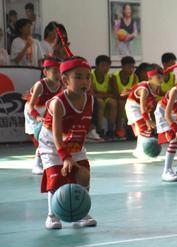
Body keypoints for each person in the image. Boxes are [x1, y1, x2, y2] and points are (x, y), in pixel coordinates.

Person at [37, 56, 97, 229]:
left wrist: (74, 152)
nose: (84, 81)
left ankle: (81, 212)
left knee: (83, 174)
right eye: (78, 77)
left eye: (88, 77)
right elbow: (56, 135)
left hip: (73, 142)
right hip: (51, 143)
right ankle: (52, 215)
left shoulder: (90, 100)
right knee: (56, 179)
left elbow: (81, 127)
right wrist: (65, 157)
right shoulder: (58, 103)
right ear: (64, 80)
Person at [24, 56, 62, 174]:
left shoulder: (60, 85)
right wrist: (37, 117)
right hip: (32, 113)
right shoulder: (40, 85)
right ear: (45, 72)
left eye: (59, 72)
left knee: (48, 137)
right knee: (41, 140)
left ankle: (48, 161)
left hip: (45, 112)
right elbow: (30, 106)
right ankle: (37, 164)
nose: (58, 75)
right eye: (55, 72)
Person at [125, 65, 162, 158]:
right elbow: (141, 106)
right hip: (133, 107)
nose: (161, 79)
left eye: (162, 76)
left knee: (148, 129)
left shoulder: (157, 88)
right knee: (143, 128)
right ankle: (140, 151)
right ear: (150, 77)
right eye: (158, 77)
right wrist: (147, 119)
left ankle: (140, 149)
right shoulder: (144, 89)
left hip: (143, 108)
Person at [111, 56, 139, 138]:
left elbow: (134, 93)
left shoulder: (134, 77)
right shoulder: (114, 77)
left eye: (133, 67)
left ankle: (130, 129)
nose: (131, 69)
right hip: (118, 99)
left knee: (129, 104)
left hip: (128, 99)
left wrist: (126, 95)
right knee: (121, 103)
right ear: (122, 67)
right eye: (129, 67)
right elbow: (116, 94)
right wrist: (127, 95)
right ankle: (117, 129)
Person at [91, 55, 117, 139]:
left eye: (107, 66)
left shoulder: (109, 77)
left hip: (104, 98)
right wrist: (104, 94)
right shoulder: (91, 75)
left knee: (113, 103)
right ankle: (100, 130)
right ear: (97, 66)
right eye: (103, 65)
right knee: (100, 102)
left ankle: (111, 131)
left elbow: (113, 94)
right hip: (93, 100)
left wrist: (99, 92)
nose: (105, 68)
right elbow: (92, 94)